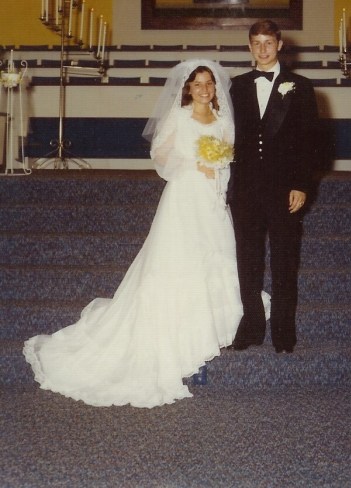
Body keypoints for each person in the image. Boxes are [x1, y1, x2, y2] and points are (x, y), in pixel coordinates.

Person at [23, 60, 243, 408]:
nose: (204, 89)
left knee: (214, 261)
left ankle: (207, 338)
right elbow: (161, 156)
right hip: (184, 198)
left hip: (212, 200)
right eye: (197, 83)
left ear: (216, 88)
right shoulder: (180, 117)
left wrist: (217, 176)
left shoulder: (223, 121)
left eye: (209, 83)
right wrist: (194, 164)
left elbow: (227, 160)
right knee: (179, 265)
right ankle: (183, 344)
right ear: (188, 88)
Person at [228, 20, 319, 354]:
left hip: (284, 190)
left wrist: (301, 185)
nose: (263, 49)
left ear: (280, 45)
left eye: (268, 42)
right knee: (247, 260)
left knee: (284, 261)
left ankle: (283, 331)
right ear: (249, 46)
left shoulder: (301, 87)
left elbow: (311, 143)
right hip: (246, 190)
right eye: (256, 43)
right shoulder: (235, 86)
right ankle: (251, 325)